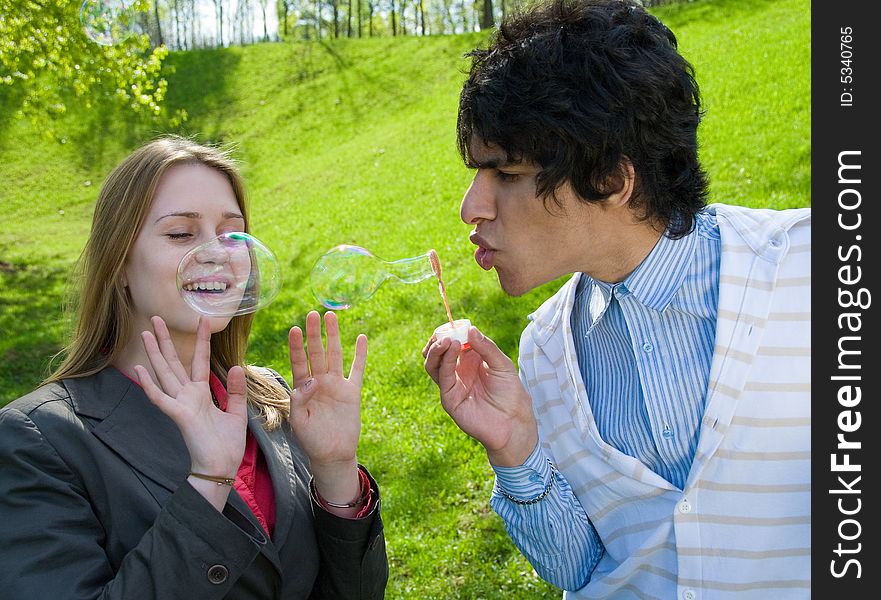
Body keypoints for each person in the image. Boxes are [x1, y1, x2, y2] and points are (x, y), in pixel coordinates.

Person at [423, 0, 810, 597]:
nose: (470, 207)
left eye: (506, 174)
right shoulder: (545, 348)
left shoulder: (810, 267)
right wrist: (515, 449)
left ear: (609, 177)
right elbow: (584, 570)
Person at [0, 135, 388, 599]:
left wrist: (336, 471)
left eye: (232, 233)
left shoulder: (273, 399)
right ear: (119, 262)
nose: (217, 252)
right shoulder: (37, 439)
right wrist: (208, 483)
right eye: (181, 233)